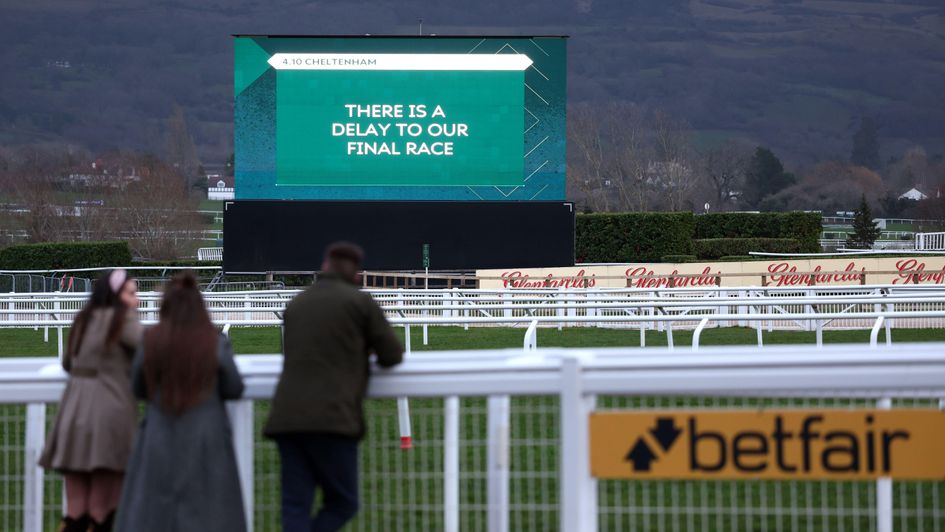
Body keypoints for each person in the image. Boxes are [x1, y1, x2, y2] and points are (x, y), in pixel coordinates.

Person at [264, 242, 404, 532]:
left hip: (287, 417)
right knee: (343, 503)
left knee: (295, 506)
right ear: (356, 273)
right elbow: (391, 355)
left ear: (325, 266)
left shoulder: (298, 302)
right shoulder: (360, 303)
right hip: (333, 418)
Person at [115, 272, 246, 532]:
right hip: (207, 438)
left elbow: (138, 387)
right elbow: (234, 387)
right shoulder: (214, 341)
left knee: (155, 514)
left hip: (158, 437)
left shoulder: (151, 340)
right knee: (210, 514)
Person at [40, 269, 142, 532]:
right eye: (131, 293)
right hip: (109, 416)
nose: (137, 299)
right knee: (101, 510)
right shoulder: (123, 320)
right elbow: (151, 353)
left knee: (75, 510)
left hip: (72, 414)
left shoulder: (83, 320)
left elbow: (68, 362)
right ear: (116, 295)